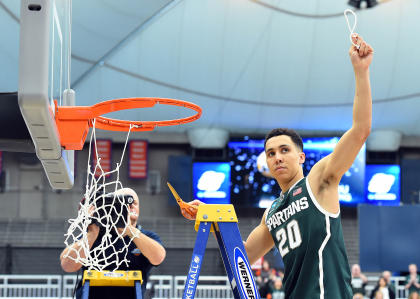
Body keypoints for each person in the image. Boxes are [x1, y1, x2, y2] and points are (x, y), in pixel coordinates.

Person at [182, 33, 373, 298]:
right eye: (271, 153)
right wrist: (212, 218)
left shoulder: (318, 181)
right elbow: (244, 257)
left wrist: (361, 71)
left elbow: (361, 130)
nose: (277, 157)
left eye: (285, 150)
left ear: (301, 157)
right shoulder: (271, 212)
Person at [60, 188, 166, 298]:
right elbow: (67, 265)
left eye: (134, 203)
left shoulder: (147, 237)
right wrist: (92, 233)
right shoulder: (95, 235)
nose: (130, 206)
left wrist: (129, 229)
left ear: (139, 209)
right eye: (123, 203)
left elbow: (158, 257)